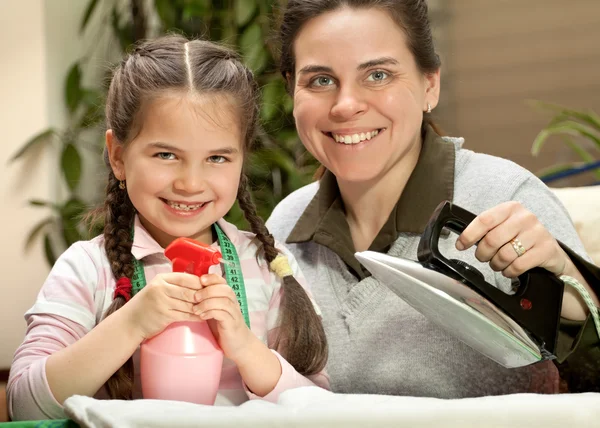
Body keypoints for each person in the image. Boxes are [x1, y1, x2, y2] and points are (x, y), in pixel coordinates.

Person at [266, 0, 600, 397]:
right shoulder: (283, 225)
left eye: (377, 74)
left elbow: (587, 377)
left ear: (430, 85)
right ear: (291, 90)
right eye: (320, 80)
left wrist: (568, 283)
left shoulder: (506, 196)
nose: (345, 105)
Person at [8, 35, 328, 421]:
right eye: (166, 154)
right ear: (118, 156)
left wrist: (246, 348)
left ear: (242, 159)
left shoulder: (268, 267)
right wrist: (131, 323)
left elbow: (323, 409)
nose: (190, 183)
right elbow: (23, 404)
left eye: (217, 157)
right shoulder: (87, 270)